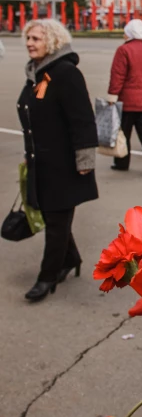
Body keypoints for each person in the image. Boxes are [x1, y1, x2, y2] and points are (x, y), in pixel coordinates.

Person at [17, 19, 98, 302]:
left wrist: (85, 160)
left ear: (51, 41)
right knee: (54, 217)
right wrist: (30, 155)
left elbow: (84, 121)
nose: (29, 43)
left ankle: (47, 276)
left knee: (55, 221)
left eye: (36, 38)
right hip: (43, 163)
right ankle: (70, 258)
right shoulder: (38, 75)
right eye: (28, 38)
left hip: (65, 165)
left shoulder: (65, 73)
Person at [107, 19, 142, 176]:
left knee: (123, 134)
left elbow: (117, 76)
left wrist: (113, 95)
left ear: (130, 34)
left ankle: (122, 163)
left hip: (126, 102)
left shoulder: (123, 50)